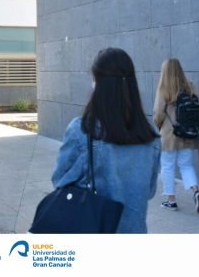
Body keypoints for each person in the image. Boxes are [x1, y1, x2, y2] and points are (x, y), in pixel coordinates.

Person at [51, 48, 160, 233]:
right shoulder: (150, 134)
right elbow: (149, 191)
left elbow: (60, 180)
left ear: (98, 83)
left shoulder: (82, 130)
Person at [153, 58, 199, 213]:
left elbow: (158, 113)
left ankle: (171, 201)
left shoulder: (164, 89)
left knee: (167, 167)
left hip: (170, 135)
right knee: (186, 165)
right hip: (188, 134)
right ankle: (196, 191)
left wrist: (160, 125)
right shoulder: (190, 86)